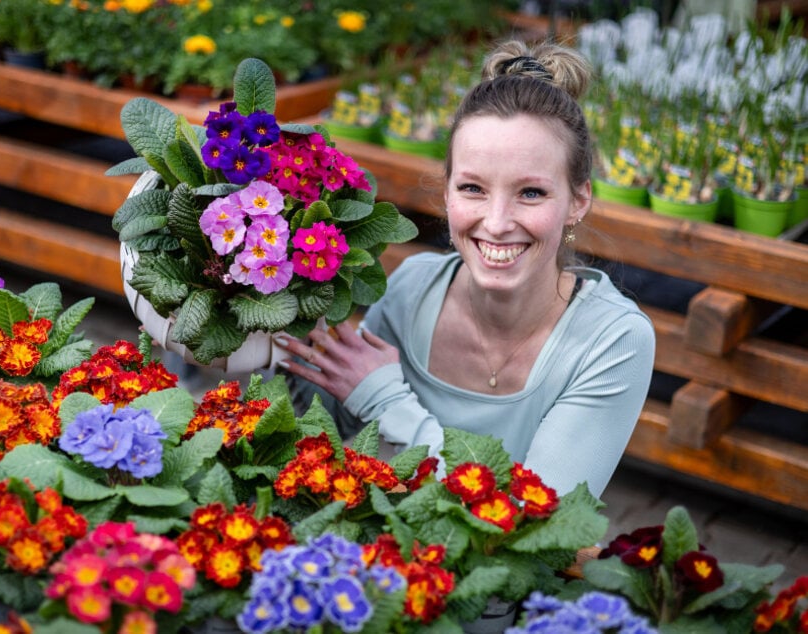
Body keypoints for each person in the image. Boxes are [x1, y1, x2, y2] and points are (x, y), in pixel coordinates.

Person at [273, 39, 656, 501]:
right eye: (473, 187)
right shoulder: (414, 287)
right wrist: (268, 334)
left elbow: (530, 516)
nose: (496, 223)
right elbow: (331, 421)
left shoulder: (613, 340)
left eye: (531, 193)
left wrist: (387, 401)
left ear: (578, 201)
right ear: (448, 193)